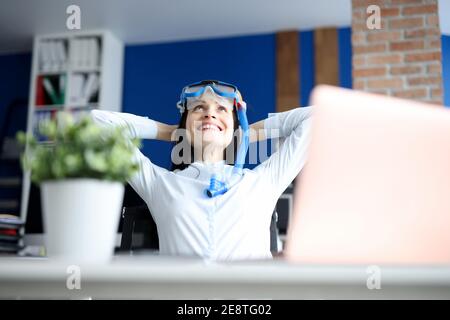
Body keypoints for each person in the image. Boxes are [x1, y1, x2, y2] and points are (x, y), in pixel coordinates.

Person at [91, 80, 312, 260]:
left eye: (221, 109)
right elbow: (100, 123)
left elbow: (317, 118)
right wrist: (174, 132)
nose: (209, 114)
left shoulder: (264, 181)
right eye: (199, 108)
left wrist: (244, 134)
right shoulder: (160, 184)